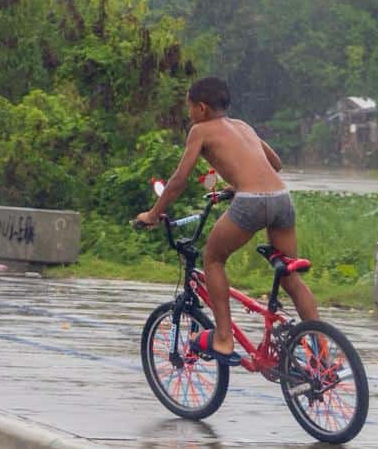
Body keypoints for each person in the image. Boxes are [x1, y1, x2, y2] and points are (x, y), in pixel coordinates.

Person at [135, 77, 320, 365]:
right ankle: (321, 351)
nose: (189, 114)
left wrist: (153, 213)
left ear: (202, 108)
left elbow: (178, 180)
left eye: (190, 107)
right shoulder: (243, 126)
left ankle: (223, 338)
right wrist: (237, 182)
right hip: (281, 198)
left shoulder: (200, 130)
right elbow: (276, 164)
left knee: (213, 259)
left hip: (251, 203)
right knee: (289, 276)